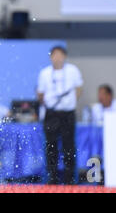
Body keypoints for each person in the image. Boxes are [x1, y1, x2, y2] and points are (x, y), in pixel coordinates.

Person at [37, 45, 83, 185]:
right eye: (54, 55)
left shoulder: (72, 71)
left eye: (60, 55)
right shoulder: (45, 73)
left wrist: (70, 103)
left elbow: (79, 89)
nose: (57, 58)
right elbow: (40, 94)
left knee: (69, 146)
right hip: (51, 114)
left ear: (64, 56)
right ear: (51, 57)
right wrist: (49, 105)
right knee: (51, 147)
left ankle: (70, 179)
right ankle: (52, 178)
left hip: (68, 114)